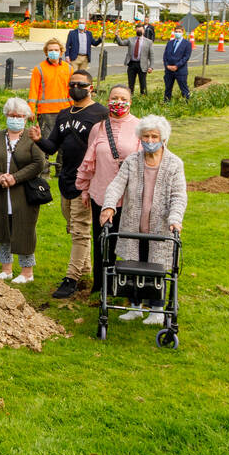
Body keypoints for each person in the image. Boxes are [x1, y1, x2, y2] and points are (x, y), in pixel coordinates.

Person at [98, 114, 187, 326]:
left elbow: (179, 195)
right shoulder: (132, 161)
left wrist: (175, 219)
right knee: (132, 265)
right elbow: (117, 185)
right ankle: (135, 307)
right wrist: (109, 206)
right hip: (133, 225)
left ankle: (156, 310)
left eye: (154, 136)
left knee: (157, 266)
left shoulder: (174, 163)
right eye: (146, 136)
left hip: (161, 227)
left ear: (163, 138)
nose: (150, 140)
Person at [34, 67, 106, 299]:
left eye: (81, 85)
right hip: (65, 179)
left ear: (91, 88)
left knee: (80, 230)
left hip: (87, 181)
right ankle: (84, 269)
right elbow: (53, 147)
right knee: (73, 226)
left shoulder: (100, 114)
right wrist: (39, 140)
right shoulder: (64, 114)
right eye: (72, 84)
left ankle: (72, 278)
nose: (76, 88)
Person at [75, 84, 141, 302]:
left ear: (130, 101)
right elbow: (89, 160)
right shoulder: (99, 128)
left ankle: (128, 286)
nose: (118, 102)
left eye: (123, 98)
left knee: (129, 241)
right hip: (101, 193)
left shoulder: (140, 127)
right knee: (102, 240)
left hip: (129, 197)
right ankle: (101, 284)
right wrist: (84, 188)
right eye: (114, 98)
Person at [0, 97, 47, 284]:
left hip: (23, 193)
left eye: (19, 116)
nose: (15, 119)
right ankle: (6, 269)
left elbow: (39, 163)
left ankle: (27, 272)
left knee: (24, 230)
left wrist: (15, 177)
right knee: (2, 229)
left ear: (25, 119)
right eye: (11, 115)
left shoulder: (31, 139)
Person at [27, 38, 73, 137]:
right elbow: (33, 91)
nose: (53, 52)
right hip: (45, 112)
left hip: (65, 111)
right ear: (46, 53)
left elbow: (72, 91)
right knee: (46, 143)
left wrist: (75, 108)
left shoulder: (68, 68)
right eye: (50, 50)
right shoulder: (39, 69)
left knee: (65, 143)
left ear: (61, 53)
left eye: (56, 50)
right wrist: (30, 110)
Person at [162, 25, 192, 101]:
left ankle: (188, 103)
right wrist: (167, 66)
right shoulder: (170, 43)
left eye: (179, 32)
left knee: (184, 89)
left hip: (180, 70)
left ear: (182, 32)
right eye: (176, 32)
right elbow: (165, 56)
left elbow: (186, 57)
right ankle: (166, 103)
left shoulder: (187, 44)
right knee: (168, 89)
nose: (177, 33)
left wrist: (177, 66)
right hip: (169, 71)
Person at [124, 24, 154, 97]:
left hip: (142, 65)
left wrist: (151, 67)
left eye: (140, 29)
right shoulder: (130, 39)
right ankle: (130, 97)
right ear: (135, 30)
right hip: (132, 64)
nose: (139, 31)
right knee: (131, 83)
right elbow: (121, 43)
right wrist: (117, 36)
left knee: (143, 83)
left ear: (143, 31)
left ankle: (143, 98)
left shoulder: (148, 42)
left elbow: (151, 55)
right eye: (137, 29)